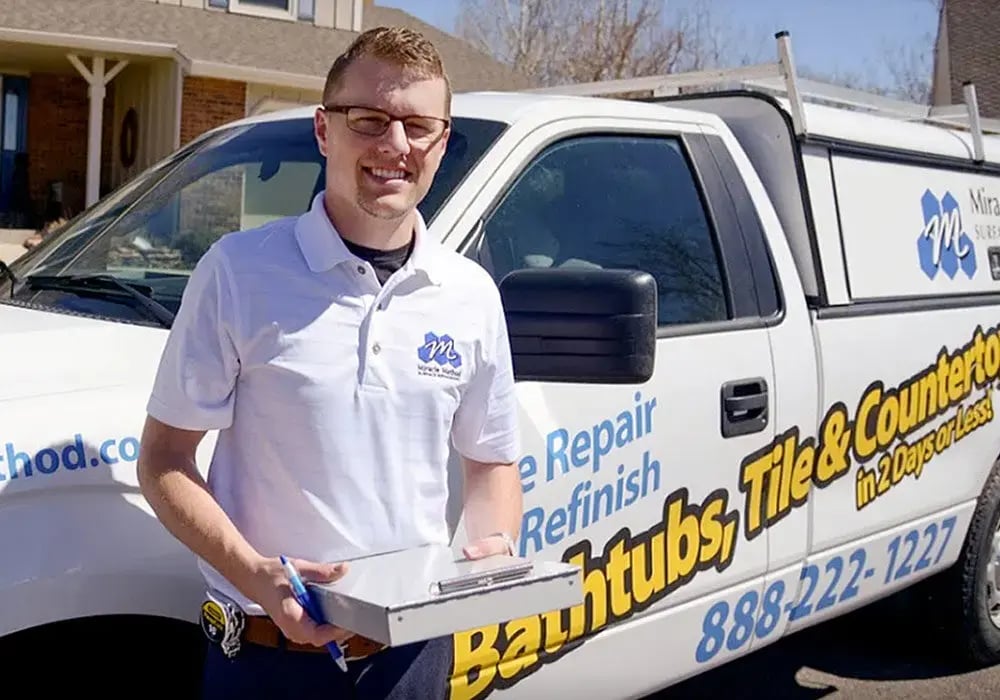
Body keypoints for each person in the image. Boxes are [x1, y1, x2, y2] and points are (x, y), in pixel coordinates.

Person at [136, 25, 522, 700]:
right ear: (323, 130)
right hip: (265, 661)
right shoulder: (239, 272)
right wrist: (255, 571)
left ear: (441, 141)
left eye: (418, 126)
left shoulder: (470, 295)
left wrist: (490, 548)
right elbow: (165, 460)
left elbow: (490, 462)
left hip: (413, 660)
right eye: (369, 119)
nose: (395, 146)